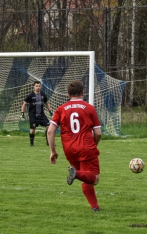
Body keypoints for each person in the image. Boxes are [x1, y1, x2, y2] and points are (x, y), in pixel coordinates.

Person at [47, 81, 102, 211]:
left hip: (69, 149)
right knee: (94, 179)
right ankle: (76, 174)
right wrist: (93, 145)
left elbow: (50, 131)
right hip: (86, 147)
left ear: (68, 94)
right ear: (83, 93)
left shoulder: (61, 109)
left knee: (84, 176)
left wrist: (53, 151)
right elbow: (98, 133)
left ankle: (95, 207)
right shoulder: (89, 108)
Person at [20, 80, 53, 146]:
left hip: (42, 115)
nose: (38, 87)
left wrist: (50, 112)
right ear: (34, 87)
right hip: (33, 116)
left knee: (48, 127)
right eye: (36, 86)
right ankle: (31, 143)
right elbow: (24, 104)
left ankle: (48, 142)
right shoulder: (30, 95)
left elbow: (47, 103)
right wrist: (22, 114)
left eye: (39, 86)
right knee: (32, 130)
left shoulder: (43, 95)